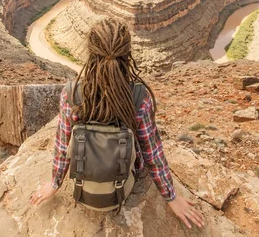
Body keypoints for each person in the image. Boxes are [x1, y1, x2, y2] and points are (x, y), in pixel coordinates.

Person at [30, 17, 205, 229]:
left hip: (81, 185)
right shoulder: (139, 97)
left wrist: (54, 183)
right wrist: (171, 197)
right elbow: (152, 153)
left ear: (90, 54)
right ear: (127, 55)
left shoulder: (71, 93)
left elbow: (62, 145)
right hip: (123, 185)